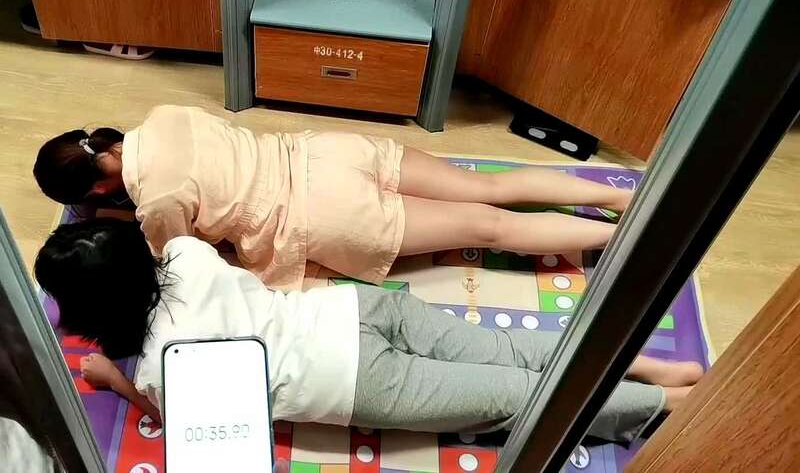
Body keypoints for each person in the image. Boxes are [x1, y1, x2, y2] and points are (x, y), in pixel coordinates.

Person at [35, 219, 703, 441]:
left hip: (357, 380)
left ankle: (665, 402)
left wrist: (114, 379)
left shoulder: (162, 365)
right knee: (504, 348)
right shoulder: (185, 252)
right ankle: (650, 365)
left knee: (515, 397)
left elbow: (183, 421)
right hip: (353, 309)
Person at [33, 105, 632, 292]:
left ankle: (623, 236)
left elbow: (186, 262)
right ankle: (625, 202)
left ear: (98, 189)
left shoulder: (156, 203)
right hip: (327, 154)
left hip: (323, 214)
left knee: (490, 228)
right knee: (488, 190)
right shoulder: (164, 114)